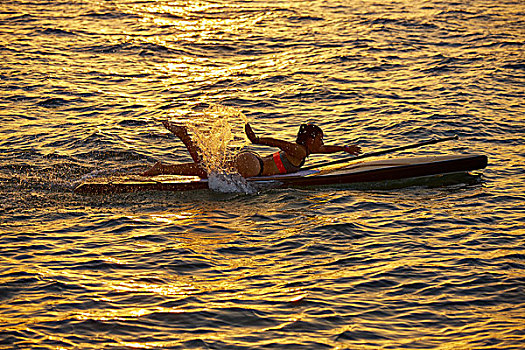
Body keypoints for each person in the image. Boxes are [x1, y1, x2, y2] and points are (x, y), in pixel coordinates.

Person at [141, 120, 361, 178]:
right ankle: (182, 140)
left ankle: (163, 167)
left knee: (206, 168)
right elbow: (277, 143)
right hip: (254, 168)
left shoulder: (307, 150)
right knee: (206, 170)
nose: (322, 142)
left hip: (253, 163)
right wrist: (256, 139)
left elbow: (326, 150)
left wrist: (345, 148)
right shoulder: (298, 150)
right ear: (310, 140)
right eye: (320, 139)